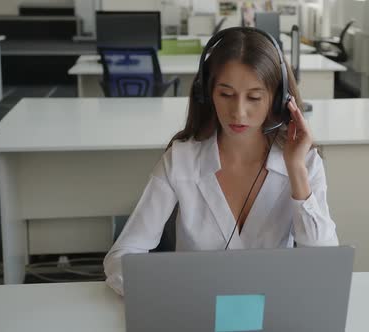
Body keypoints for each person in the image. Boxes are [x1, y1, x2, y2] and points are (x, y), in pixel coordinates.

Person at [103, 28, 339, 296]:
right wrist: (167, 296)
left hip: (271, 314)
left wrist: (296, 171)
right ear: (207, 93)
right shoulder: (181, 159)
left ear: (278, 100)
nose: (238, 112)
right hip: (195, 311)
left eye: (254, 97)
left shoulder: (303, 163)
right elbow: (121, 257)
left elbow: (325, 265)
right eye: (226, 94)